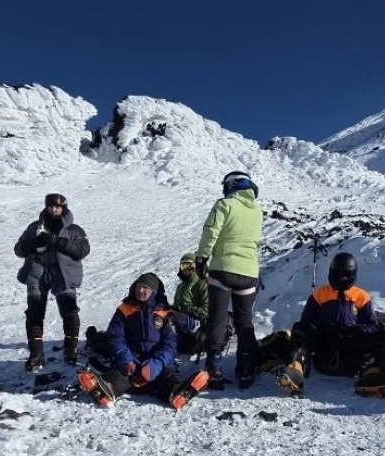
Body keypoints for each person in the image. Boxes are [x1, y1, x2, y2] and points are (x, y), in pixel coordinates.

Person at [275, 252, 385, 397]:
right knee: (300, 328)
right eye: (338, 273)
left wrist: (358, 330)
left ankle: (374, 374)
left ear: (353, 274)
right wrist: (325, 328)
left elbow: (371, 325)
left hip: (352, 350)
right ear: (331, 272)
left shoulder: (361, 296)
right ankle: (295, 368)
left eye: (347, 274)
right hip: (325, 350)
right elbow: (306, 322)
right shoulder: (320, 294)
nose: (342, 278)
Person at [76, 273, 209, 410]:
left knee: (166, 378)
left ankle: (178, 393)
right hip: (131, 359)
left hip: (156, 362)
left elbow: (170, 344)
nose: (140, 291)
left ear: (154, 292)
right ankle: (103, 389)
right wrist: (125, 358)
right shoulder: (125, 309)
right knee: (119, 376)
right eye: (139, 287)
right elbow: (115, 337)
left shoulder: (165, 313)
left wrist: (157, 364)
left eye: (145, 288)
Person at [195, 171, 263, 390]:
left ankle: (213, 370)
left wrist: (201, 258)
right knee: (245, 321)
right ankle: (246, 369)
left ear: (231, 185)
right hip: (249, 272)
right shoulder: (257, 210)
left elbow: (211, 231)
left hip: (223, 269)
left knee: (218, 319)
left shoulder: (224, 204)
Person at [14, 193, 90, 371]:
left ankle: (70, 351)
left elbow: (82, 250)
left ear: (64, 208)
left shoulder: (74, 230)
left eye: (58, 206)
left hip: (63, 274)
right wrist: (33, 243)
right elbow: (18, 249)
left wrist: (57, 241)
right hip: (37, 273)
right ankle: (36, 355)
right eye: (51, 206)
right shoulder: (35, 227)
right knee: (34, 313)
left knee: (69, 311)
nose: (54, 209)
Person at [171, 252, 209, 354]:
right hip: (181, 319)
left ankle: (172, 349)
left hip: (196, 322)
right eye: (184, 266)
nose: (187, 270)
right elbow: (176, 306)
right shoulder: (181, 286)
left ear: (196, 267)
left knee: (171, 319)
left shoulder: (202, 285)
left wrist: (186, 309)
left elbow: (207, 311)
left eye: (190, 266)